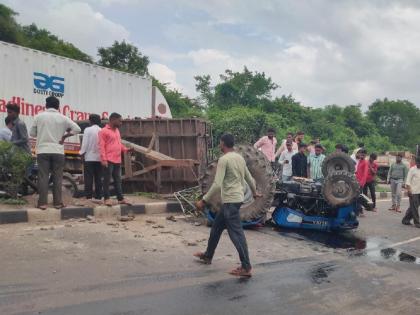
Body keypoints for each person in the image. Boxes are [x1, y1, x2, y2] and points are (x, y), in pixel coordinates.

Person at [194, 133, 261, 277]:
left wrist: (204, 200)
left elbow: (217, 184)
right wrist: (254, 192)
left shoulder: (224, 160)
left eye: (220, 143)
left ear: (223, 144)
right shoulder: (239, 158)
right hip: (235, 200)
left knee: (236, 234)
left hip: (231, 201)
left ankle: (246, 266)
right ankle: (208, 255)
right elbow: (248, 177)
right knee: (216, 228)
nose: (219, 145)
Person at [30, 96, 81, 210]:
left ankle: (42, 203)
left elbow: (32, 134)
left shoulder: (39, 117)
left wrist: (42, 132)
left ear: (46, 105)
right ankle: (57, 203)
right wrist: (65, 136)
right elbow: (77, 129)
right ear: (58, 106)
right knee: (57, 177)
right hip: (58, 151)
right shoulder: (63, 118)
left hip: (43, 150)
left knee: (43, 176)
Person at [99, 112, 132, 206]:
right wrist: (103, 159)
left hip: (117, 159)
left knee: (118, 180)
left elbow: (118, 144)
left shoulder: (117, 130)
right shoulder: (103, 131)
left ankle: (120, 198)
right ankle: (106, 199)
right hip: (108, 159)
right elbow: (101, 146)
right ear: (113, 120)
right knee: (107, 180)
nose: (121, 123)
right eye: (120, 121)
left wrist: (126, 149)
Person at [79, 114, 103, 202]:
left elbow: (84, 143)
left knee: (88, 178)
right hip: (99, 158)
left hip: (89, 158)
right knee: (98, 178)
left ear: (91, 121)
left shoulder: (88, 130)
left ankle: (89, 196)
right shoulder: (102, 130)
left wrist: (81, 154)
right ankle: (99, 196)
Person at [402, 157, 420, 228]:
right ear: (416, 162)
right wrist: (409, 191)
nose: (418, 164)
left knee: (413, 207)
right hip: (413, 192)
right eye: (418, 163)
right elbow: (408, 182)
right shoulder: (412, 170)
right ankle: (417, 222)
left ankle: (405, 219)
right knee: (415, 207)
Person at [355, 149, 369, 216]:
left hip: (360, 182)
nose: (362, 155)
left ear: (365, 155)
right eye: (361, 154)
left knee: (359, 197)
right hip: (356, 181)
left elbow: (365, 174)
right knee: (356, 197)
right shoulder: (359, 161)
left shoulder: (365, 162)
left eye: (363, 154)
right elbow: (358, 172)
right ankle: (357, 211)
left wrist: (361, 183)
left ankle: (360, 211)